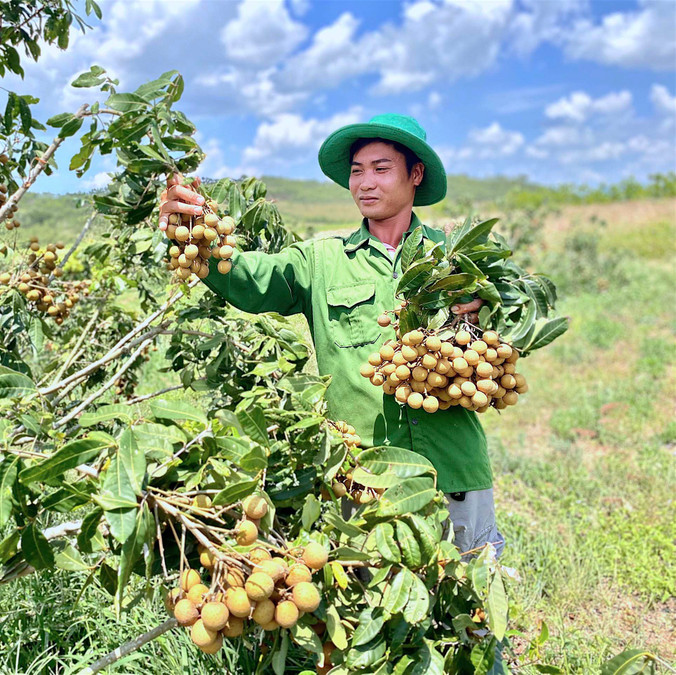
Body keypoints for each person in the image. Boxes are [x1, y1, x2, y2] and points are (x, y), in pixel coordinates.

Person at [158, 113, 505, 561]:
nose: (365, 182)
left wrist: (481, 312)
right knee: (372, 612)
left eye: (381, 169)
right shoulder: (321, 259)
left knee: (469, 609)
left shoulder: (458, 256)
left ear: (414, 174)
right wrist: (190, 227)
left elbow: (507, 335)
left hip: (455, 468)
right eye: (357, 171)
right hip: (364, 477)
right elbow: (248, 279)